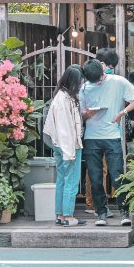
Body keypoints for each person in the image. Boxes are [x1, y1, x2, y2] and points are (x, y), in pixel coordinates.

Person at [80, 56, 134, 227]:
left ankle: (124, 210)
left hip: (112, 136)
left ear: (103, 69)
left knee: (118, 175)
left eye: (100, 78)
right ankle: (101, 212)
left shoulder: (117, 81)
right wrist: (88, 114)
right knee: (95, 178)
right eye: (95, 81)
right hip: (91, 137)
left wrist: (122, 112)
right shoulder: (84, 87)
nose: (99, 82)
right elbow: (81, 114)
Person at [43, 65, 86, 227]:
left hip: (61, 145)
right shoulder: (63, 99)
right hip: (69, 146)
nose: (81, 84)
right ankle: (68, 216)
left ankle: (60, 215)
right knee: (71, 181)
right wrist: (70, 152)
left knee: (62, 179)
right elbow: (64, 129)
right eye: (79, 81)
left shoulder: (62, 96)